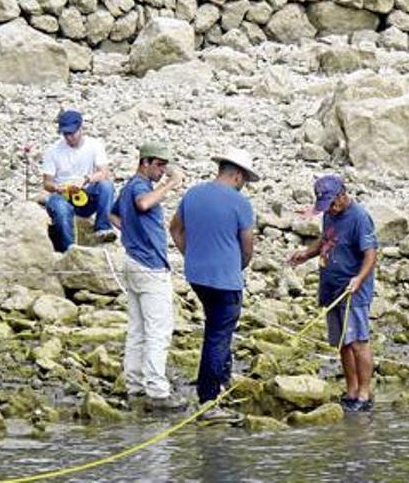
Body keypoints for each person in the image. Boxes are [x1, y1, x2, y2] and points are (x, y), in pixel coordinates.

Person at [170, 148, 257, 423]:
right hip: (225, 279)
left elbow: (175, 229)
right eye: (244, 180)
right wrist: (238, 265)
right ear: (237, 175)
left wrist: (191, 255)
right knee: (218, 335)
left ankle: (221, 380)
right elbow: (247, 244)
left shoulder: (193, 193)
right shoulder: (240, 203)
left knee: (214, 327)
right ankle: (208, 400)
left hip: (197, 276)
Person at [289, 175, 378, 413]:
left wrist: (359, 279)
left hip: (353, 290)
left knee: (358, 341)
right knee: (342, 342)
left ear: (343, 194)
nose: (330, 208)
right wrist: (306, 255)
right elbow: (326, 240)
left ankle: (364, 393)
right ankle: (351, 390)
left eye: (332, 203)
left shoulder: (359, 217)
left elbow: (371, 254)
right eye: (326, 204)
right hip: (331, 285)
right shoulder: (329, 213)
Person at [109, 143, 186, 411]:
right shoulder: (140, 187)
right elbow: (143, 203)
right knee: (158, 330)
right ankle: (157, 390)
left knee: (138, 328)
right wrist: (172, 185)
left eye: (165, 166)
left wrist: (130, 233)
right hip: (150, 265)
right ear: (146, 162)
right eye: (160, 165)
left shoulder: (129, 185)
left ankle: (135, 386)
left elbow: (112, 213)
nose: (163, 170)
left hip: (132, 261)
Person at [42, 109, 116, 251]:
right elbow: (47, 183)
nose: (69, 137)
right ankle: (69, 249)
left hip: (85, 193)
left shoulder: (94, 145)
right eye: (65, 134)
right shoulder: (53, 151)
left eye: (72, 133)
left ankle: (103, 228)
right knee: (60, 208)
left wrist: (86, 179)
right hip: (63, 196)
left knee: (106, 185)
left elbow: (104, 173)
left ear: (81, 128)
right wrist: (58, 188)